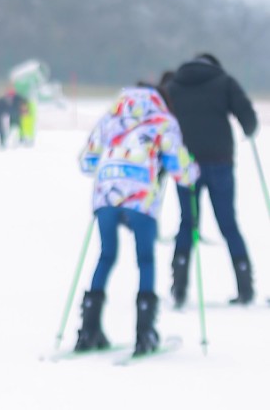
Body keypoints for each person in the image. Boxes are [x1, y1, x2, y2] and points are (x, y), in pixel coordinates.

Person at [74, 84, 197, 355]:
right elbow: (179, 167)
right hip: (141, 196)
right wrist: (191, 173)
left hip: (106, 195)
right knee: (145, 260)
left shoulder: (110, 119)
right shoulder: (163, 122)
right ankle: (144, 333)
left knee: (106, 255)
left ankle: (89, 330)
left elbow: (87, 162)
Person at [161, 53, 259, 306]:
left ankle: (179, 287)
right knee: (228, 223)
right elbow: (247, 114)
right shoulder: (224, 82)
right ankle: (245, 287)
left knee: (187, 223)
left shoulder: (174, 86)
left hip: (186, 162)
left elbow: (161, 120)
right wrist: (249, 129)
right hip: (220, 160)